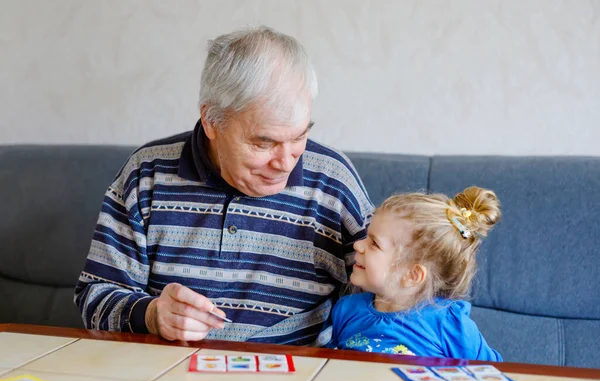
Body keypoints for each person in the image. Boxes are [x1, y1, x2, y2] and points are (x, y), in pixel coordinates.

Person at [74, 26, 373, 346]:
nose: (287, 162)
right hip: (172, 379)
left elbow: (392, 295)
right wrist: (151, 314)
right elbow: (95, 298)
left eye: (299, 136)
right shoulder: (146, 175)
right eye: (264, 142)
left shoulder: (332, 180)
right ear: (212, 121)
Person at [331, 186, 502, 361]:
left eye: (374, 243)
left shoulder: (449, 325)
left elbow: (493, 374)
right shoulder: (346, 310)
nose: (358, 245)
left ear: (412, 275)